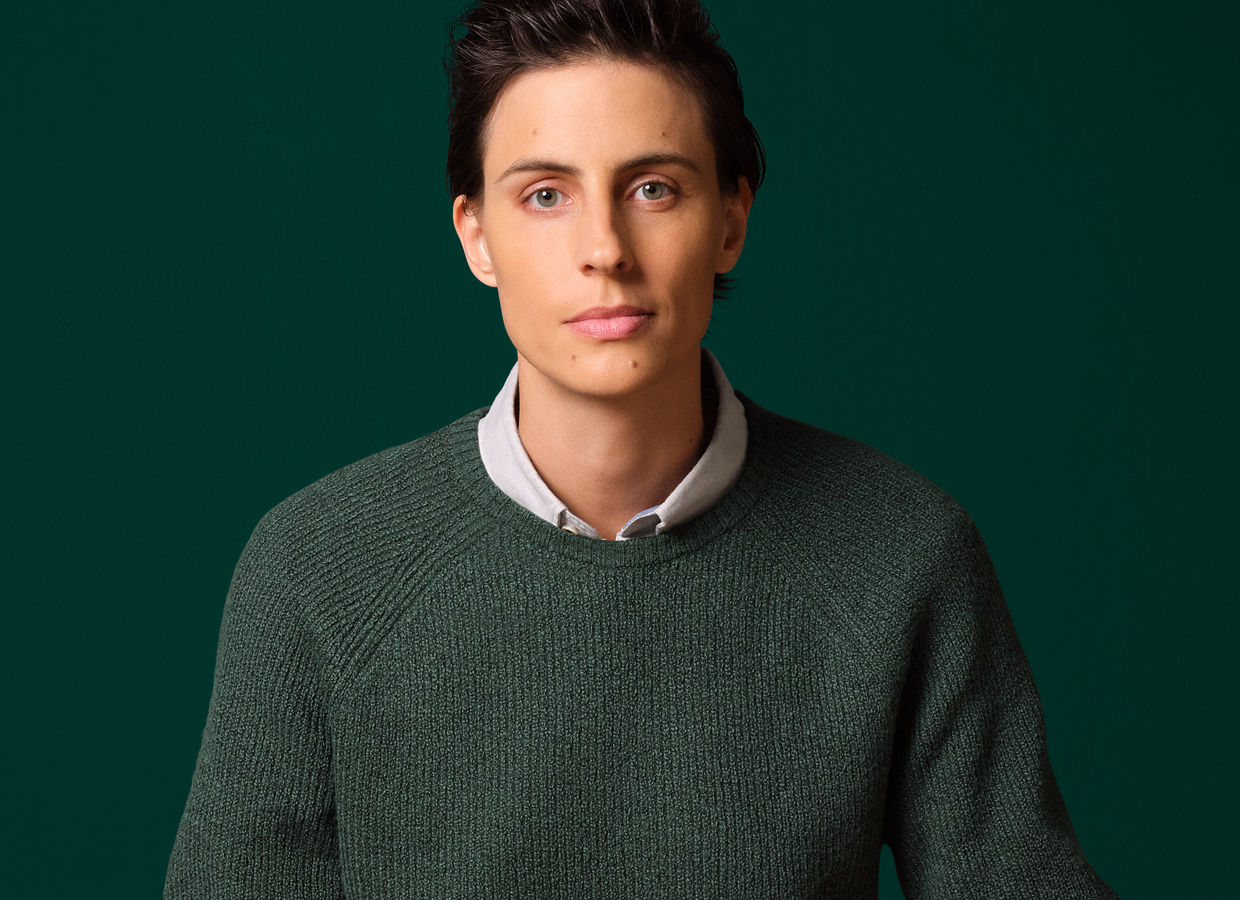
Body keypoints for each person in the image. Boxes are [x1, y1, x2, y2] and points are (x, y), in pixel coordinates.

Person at [165, 0, 1118, 896]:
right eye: (545, 194)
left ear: (731, 218)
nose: (606, 247)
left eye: (653, 187)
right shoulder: (318, 571)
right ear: (476, 236)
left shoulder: (904, 555)